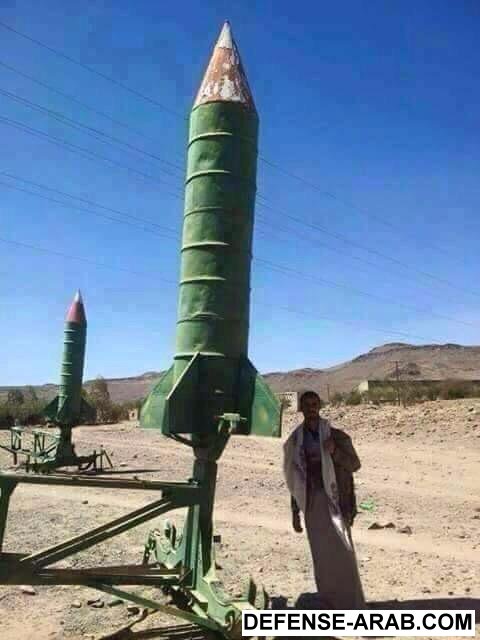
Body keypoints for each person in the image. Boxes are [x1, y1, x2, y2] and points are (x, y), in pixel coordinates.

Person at [283, 390, 365, 609]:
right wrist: (295, 513)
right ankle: (330, 605)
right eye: (307, 405)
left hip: (336, 503)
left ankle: (352, 605)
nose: (311, 408)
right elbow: (294, 479)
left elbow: (354, 464)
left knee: (344, 554)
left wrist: (335, 451)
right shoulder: (295, 441)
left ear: (319, 406)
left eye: (314, 404)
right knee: (322, 557)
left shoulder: (336, 436)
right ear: (301, 408)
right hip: (312, 504)